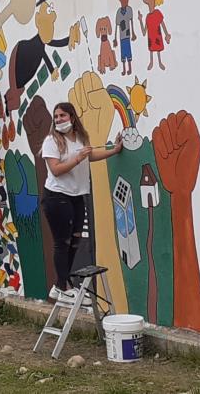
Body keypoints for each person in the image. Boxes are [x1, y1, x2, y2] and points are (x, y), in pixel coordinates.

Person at [41, 102, 122, 304]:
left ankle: (65, 283)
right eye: (56, 116)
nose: (58, 119)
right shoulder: (51, 140)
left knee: (75, 240)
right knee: (62, 242)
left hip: (78, 195)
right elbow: (56, 169)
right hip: (57, 196)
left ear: (72, 117)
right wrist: (77, 158)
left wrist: (114, 150)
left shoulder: (80, 138)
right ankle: (62, 286)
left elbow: (90, 155)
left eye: (62, 115)